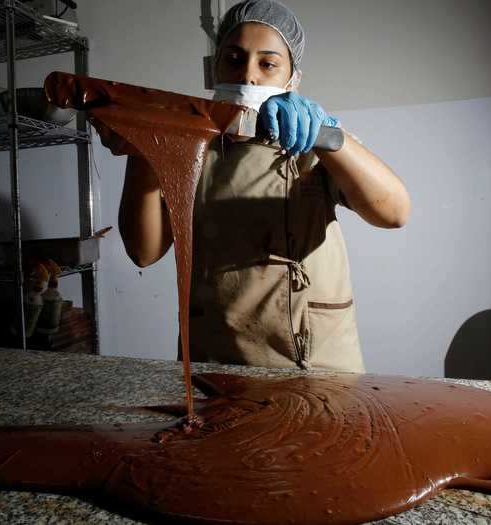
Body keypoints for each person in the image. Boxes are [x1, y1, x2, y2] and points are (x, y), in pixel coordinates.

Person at [119, 0, 410, 373]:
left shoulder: (312, 147)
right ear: (214, 70)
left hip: (314, 363)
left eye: (267, 63)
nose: (248, 77)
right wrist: (142, 148)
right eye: (234, 60)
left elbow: (394, 212)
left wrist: (328, 137)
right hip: (215, 361)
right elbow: (144, 252)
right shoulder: (188, 149)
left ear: (293, 79)